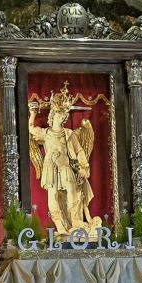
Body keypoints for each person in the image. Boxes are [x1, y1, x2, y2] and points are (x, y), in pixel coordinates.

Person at [28, 88, 94, 235]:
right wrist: (32, 113)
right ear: (52, 115)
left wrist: (84, 166)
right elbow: (31, 129)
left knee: (72, 191)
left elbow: (79, 151)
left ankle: (76, 221)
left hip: (66, 167)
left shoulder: (69, 134)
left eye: (64, 115)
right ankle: (60, 226)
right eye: (59, 114)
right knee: (53, 195)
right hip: (51, 167)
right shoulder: (45, 133)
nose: (62, 117)